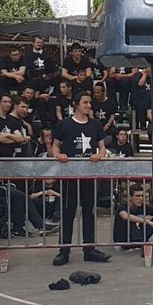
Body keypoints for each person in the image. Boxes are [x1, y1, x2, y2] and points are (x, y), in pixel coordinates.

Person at [51, 92, 111, 266]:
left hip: (88, 173)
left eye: (89, 103)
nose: (88, 106)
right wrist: (58, 155)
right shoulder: (64, 124)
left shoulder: (95, 124)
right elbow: (55, 145)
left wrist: (99, 155)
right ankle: (64, 249)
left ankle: (89, 248)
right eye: (85, 102)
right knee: (68, 212)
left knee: (89, 212)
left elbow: (102, 147)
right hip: (70, 174)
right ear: (76, 104)